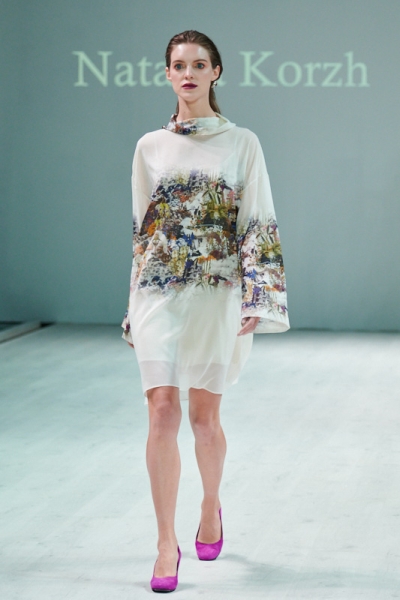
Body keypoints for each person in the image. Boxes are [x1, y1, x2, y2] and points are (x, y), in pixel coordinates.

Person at [122, 30, 290, 593]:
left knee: (203, 419)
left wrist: (259, 294)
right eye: (178, 65)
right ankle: (165, 542)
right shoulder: (149, 146)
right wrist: (131, 304)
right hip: (158, 292)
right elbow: (142, 232)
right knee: (161, 411)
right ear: (167, 74)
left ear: (216, 72)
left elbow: (257, 219)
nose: (188, 73)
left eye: (199, 64)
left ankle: (210, 505)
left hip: (218, 293)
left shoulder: (242, 143)